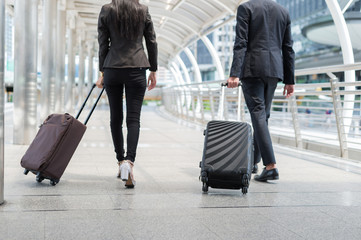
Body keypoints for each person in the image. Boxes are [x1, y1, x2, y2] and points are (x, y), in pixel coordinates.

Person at [227, 0, 295, 182]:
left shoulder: (246, 8)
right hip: (274, 70)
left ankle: (271, 166)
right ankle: (254, 162)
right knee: (263, 116)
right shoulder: (283, 11)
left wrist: (234, 74)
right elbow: (288, 47)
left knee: (258, 114)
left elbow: (240, 42)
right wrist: (290, 80)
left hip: (252, 69)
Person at [96, 0, 157, 188]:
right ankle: (130, 163)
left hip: (113, 67)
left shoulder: (107, 10)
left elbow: (102, 42)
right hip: (137, 68)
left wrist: (102, 72)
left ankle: (120, 161)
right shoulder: (143, 10)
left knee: (115, 117)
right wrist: (153, 70)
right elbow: (151, 40)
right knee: (133, 119)